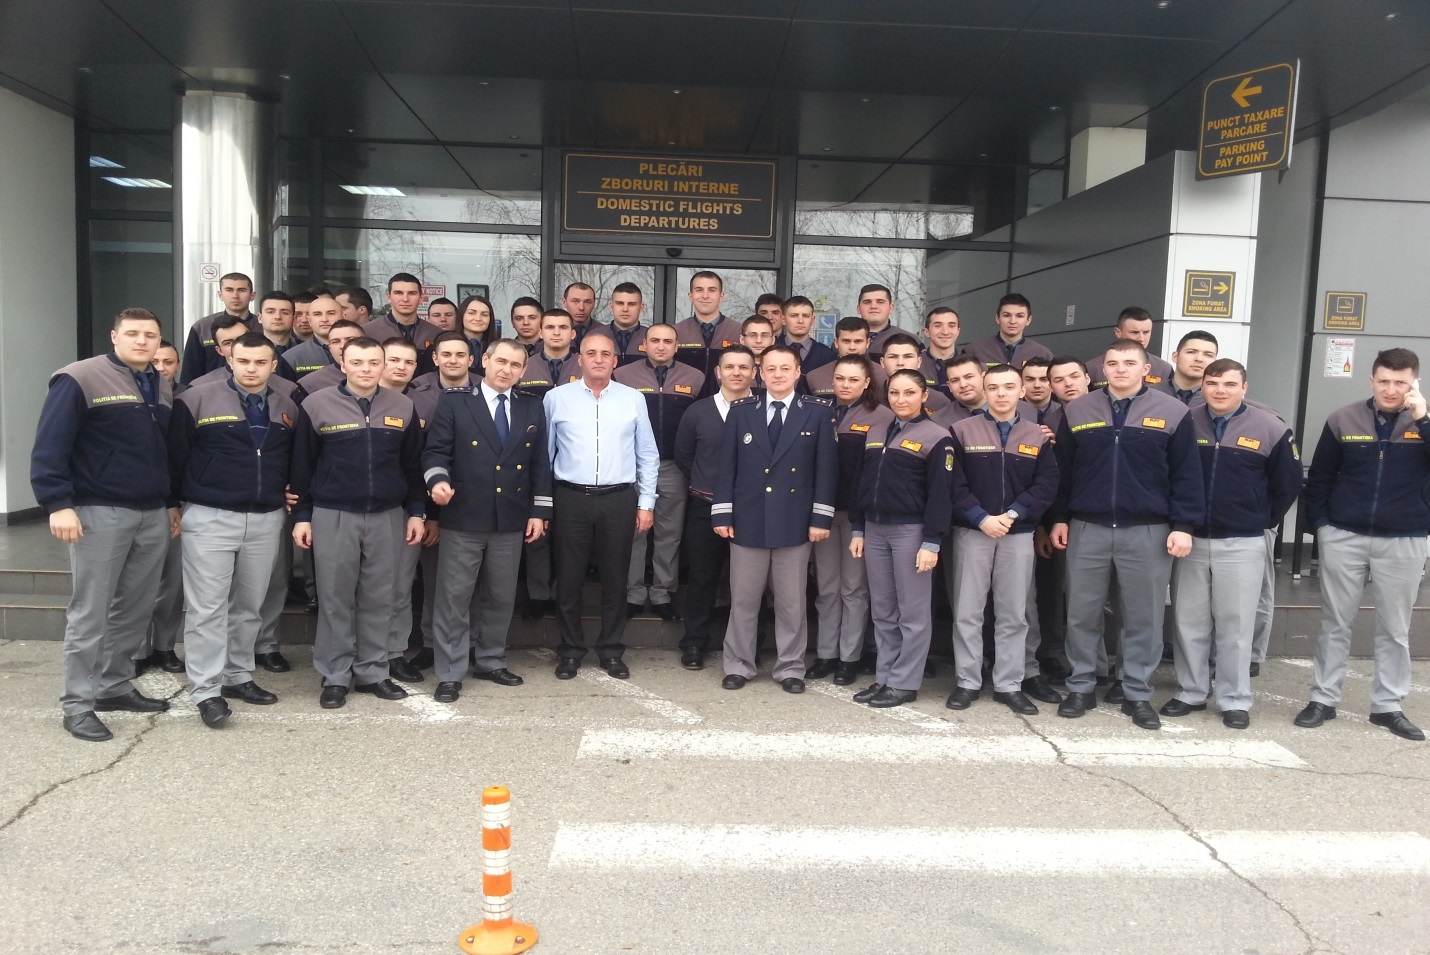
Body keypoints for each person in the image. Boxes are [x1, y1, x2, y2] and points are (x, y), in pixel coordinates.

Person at [31, 308, 178, 742]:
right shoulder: (80, 377)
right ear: (114, 336)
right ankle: (77, 704)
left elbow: (162, 451)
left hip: (151, 511)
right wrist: (57, 503)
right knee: (90, 611)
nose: (142, 341)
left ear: (159, 341)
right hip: (99, 510)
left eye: (150, 335)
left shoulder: (160, 384)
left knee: (135, 607)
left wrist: (170, 502)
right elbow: (51, 443)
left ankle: (113, 686)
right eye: (132, 333)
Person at [1049, 339, 1204, 730]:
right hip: (1088, 527)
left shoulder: (1173, 412)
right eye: (1113, 363)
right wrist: (1060, 518)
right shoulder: (1077, 410)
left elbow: (1186, 473)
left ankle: (1136, 692)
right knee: (1081, 613)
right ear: (1102, 369)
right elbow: (1062, 471)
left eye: (1129, 363)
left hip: (1148, 530)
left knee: (1143, 617)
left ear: (1146, 369)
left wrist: (1183, 526)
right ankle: (1081, 686)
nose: (1120, 369)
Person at [166, 333, 298, 728]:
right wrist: (172, 504)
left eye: (260, 362)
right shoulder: (196, 400)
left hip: (265, 518)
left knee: (250, 605)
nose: (251, 369)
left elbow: (291, 458)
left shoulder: (287, 406)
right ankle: (206, 690)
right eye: (244, 361)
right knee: (207, 608)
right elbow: (175, 457)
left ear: (273, 365)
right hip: (210, 515)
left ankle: (238, 675)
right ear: (229, 359)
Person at [1297, 347, 1430, 741]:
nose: (1391, 389)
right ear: (1371, 380)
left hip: (1405, 537)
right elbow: (1321, 476)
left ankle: (1387, 706)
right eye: (1384, 381)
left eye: (1400, 382)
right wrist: (1322, 527)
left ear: (1414, 383)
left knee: (1395, 628)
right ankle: (1323, 699)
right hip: (1344, 535)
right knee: (1335, 622)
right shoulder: (1343, 418)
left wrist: (1423, 419)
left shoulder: (1424, 421)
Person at [290, 336, 426, 709]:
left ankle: (373, 672)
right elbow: (302, 465)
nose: (365, 369)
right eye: (357, 362)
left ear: (382, 365)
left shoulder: (403, 406)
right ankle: (335, 674)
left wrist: (416, 511)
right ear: (343, 365)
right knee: (335, 598)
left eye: (372, 362)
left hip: (388, 515)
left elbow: (412, 465)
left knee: (379, 597)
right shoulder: (316, 405)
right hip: (333, 514)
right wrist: (302, 516)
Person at [1166, 359, 1301, 730]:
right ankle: (1191, 691)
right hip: (1191, 539)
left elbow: (1287, 483)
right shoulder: (1185, 421)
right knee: (1188, 622)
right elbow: (1171, 474)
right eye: (1212, 383)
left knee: (1236, 625)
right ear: (1203, 386)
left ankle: (1234, 698)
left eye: (1229, 384)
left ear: (1244, 387)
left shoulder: (1271, 427)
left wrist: (1260, 518)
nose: (1219, 390)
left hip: (1242, 541)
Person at [423, 339, 553, 701]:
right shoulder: (455, 401)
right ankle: (450, 671)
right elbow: (435, 451)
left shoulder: (531, 405)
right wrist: (437, 481)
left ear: (523, 371)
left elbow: (539, 462)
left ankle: (491, 660)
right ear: (485, 361)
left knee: (501, 596)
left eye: (515, 365)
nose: (506, 369)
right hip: (464, 514)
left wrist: (540, 511)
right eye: (501, 361)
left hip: (510, 517)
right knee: (454, 597)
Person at [713, 345, 837, 693]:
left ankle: (791, 668)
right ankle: (738, 664)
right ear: (760, 373)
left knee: (791, 603)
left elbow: (826, 470)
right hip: (748, 518)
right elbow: (727, 467)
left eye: (785, 368)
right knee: (743, 601)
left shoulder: (817, 413)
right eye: (771, 368)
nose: (778, 374)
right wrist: (722, 512)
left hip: (795, 521)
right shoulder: (741, 411)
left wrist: (820, 518)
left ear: (798, 372)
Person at [946, 365, 1061, 714]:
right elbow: (952, 483)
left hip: (1017, 533)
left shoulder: (1036, 435)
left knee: (1014, 612)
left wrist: (1013, 515)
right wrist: (980, 517)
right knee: (968, 611)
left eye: (1009, 386)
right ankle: (967, 681)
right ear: (984, 390)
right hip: (973, 531)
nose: (1000, 393)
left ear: (1021, 391)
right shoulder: (961, 430)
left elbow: (1047, 484)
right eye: (993, 387)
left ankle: (1008, 684)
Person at [545, 332, 659, 679]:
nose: (598, 359)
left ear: (615, 361)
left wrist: (646, 502)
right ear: (579, 359)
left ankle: (611, 650)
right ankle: (570, 651)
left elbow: (647, 453)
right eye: (591, 353)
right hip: (570, 498)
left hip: (618, 498)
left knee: (615, 579)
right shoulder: (556, 398)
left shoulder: (632, 399)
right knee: (568, 579)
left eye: (605, 354)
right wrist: (543, 504)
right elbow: (545, 454)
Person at [848, 369, 953, 707]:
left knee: (913, 613)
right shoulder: (876, 431)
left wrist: (932, 541)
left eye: (909, 393)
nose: (901, 399)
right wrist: (858, 527)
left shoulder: (937, 437)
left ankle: (905, 683)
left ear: (924, 396)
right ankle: (885, 678)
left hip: (911, 532)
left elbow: (941, 494)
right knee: (883, 610)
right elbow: (860, 483)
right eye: (894, 393)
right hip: (875, 529)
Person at [808, 356, 893, 685]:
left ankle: (849, 657)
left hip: (860, 516)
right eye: (840, 378)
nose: (845, 385)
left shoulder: (882, 416)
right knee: (827, 587)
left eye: (854, 379)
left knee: (854, 589)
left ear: (867, 382)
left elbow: (876, 473)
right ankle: (826, 654)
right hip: (823, 513)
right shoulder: (819, 410)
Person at [673, 346, 756, 670]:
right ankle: (695, 643)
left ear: (754, 373)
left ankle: (750, 644)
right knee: (702, 577)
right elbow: (684, 455)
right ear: (718, 372)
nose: (736, 372)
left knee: (750, 584)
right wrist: (707, 483)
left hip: (751, 510)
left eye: (744, 367)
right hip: (705, 506)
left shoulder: (763, 409)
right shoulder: (698, 411)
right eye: (729, 367)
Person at [614, 323, 704, 619]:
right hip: (633, 466)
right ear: (645, 344)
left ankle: (662, 593)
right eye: (655, 340)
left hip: (673, 467)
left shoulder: (696, 377)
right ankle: (633, 592)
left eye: (668, 341)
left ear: (677, 346)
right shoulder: (623, 375)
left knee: (670, 532)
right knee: (634, 532)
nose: (661, 346)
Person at [377, 338, 440, 684]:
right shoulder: (354, 400)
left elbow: (421, 465)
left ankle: (394, 653)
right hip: (358, 510)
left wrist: (424, 512)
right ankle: (359, 653)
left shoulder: (418, 406)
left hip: (405, 510)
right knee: (361, 589)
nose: (400, 367)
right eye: (393, 360)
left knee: (400, 588)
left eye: (408, 362)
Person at [134, 341, 186, 676]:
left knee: (172, 582)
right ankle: (137, 649)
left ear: (178, 364)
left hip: (177, 501)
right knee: (138, 583)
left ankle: (164, 646)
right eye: (156, 361)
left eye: (168, 362)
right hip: (140, 499)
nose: (162, 368)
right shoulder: (134, 396)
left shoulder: (189, 398)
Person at [181, 272, 258, 384]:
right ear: (220, 295)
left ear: (252, 295)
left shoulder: (263, 327)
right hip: (210, 390)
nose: (235, 296)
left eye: (242, 290)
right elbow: (190, 370)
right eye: (229, 290)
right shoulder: (202, 326)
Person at [365, 273, 441, 375]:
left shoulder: (435, 334)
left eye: (412, 293)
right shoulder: (368, 332)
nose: (405, 299)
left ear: (421, 298)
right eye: (398, 293)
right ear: (388, 297)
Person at [673, 271, 743, 378]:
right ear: (690, 296)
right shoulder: (676, 333)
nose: (705, 296)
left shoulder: (739, 332)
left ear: (721, 296)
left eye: (712, 290)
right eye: (699, 290)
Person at [1086, 307, 1174, 389]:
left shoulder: (1164, 369)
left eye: (1146, 332)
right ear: (1118, 332)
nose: (1141, 338)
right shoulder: (1092, 369)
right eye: (1134, 332)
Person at [802, 317, 887, 399]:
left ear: (868, 343)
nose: (852, 347)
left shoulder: (884, 376)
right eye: (846, 341)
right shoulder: (815, 377)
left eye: (858, 341)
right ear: (836, 342)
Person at [964, 293, 1054, 369]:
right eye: (1006, 315)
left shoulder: (1042, 354)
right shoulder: (974, 351)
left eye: (1019, 316)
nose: (1012, 321)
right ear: (997, 318)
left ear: (1028, 320)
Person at [880, 334, 951, 412]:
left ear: (919, 362)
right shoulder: (872, 398)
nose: (900, 363)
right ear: (882, 362)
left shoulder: (938, 401)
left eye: (908, 356)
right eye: (893, 357)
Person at [281, 291, 344, 378]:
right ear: (310, 320)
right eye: (317, 314)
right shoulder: (291, 357)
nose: (324, 319)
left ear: (343, 316)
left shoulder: (362, 349)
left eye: (331, 313)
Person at [293, 319, 364, 393]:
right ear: (330, 349)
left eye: (350, 340)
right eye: (335, 342)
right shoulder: (309, 384)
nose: (342, 346)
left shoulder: (373, 376)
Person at [1158, 330, 1219, 404]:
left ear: (1215, 363)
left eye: (1208, 355)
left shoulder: (1219, 399)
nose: (1199, 359)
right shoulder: (1150, 393)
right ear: (1175, 356)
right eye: (1191, 352)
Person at [780, 295, 835, 372]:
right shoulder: (771, 350)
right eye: (794, 316)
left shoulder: (826, 355)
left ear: (812, 320)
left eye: (806, 316)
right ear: (783, 319)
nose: (800, 321)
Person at [920, 307, 962, 396]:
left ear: (958, 331)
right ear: (926, 331)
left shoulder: (973, 366)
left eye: (951, 326)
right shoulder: (915, 365)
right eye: (938, 326)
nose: (945, 332)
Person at [606, 282, 648, 365]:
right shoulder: (595, 336)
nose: (625, 309)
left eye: (631, 304)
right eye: (620, 303)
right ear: (611, 306)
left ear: (641, 307)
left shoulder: (652, 339)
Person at [257, 291, 301, 360]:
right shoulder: (247, 350)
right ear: (260, 318)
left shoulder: (305, 351)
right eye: (270, 312)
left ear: (294, 319)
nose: (278, 317)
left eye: (285, 313)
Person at [1020, 357, 1061, 431]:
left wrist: (1059, 437)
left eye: (1044, 379)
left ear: (1053, 382)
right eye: (1030, 379)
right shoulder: (1009, 413)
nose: (1037, 385)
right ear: (1021, 382)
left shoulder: (1064, 414)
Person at [562, 282, 599, 347]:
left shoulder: (605, 333)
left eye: (587, 302)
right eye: (575, 301)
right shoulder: (552, 332)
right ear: (564, 302)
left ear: (594, 304)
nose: (581, 308)